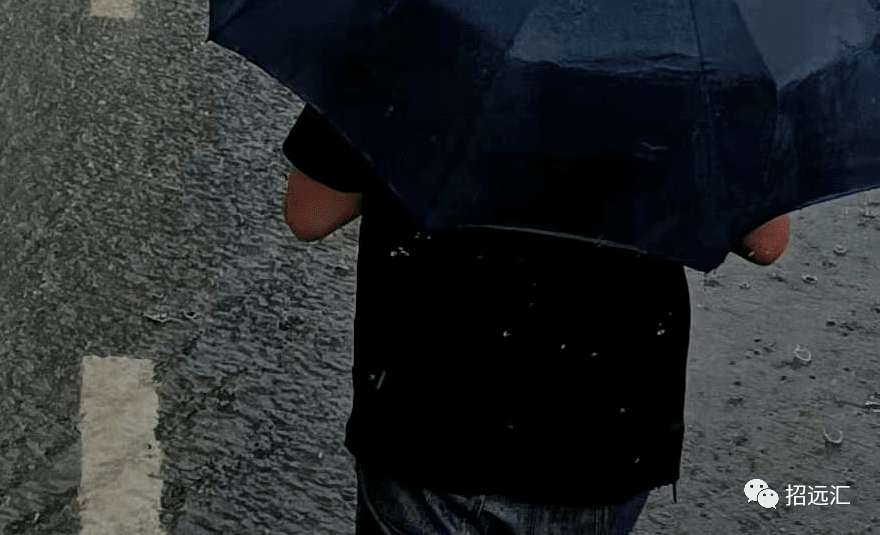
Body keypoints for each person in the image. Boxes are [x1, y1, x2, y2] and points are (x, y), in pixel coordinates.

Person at [283, 106, 791, 535]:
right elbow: (765, 240)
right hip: (600, 433)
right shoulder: (694, 54)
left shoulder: (416, 31)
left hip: (428, 414)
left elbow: (310, 213)